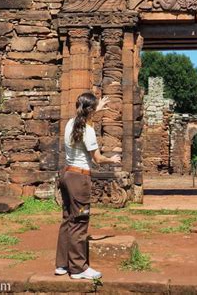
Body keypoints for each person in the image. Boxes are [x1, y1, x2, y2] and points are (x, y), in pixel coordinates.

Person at [55, 92, 121, 280]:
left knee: (68, 219)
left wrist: (95, 110)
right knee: (80, 222)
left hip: (67, 174)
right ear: (90, 110)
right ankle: (78, 268)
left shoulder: (71, 123)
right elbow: (98, 159)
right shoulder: (88, 130)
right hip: (79, 179)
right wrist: (112, 160)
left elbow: (84, 122)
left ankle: (62, 264)